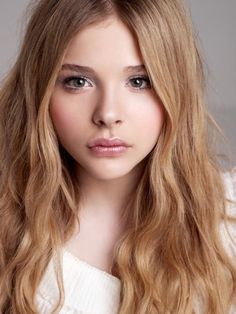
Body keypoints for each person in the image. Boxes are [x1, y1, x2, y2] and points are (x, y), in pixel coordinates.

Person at [0, 0, 235, 313]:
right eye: (78, 81)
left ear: (176, 87)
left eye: (139, 81)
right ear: (40, 90)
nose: (108, 114)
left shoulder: (228, 222)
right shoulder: (8, 235)